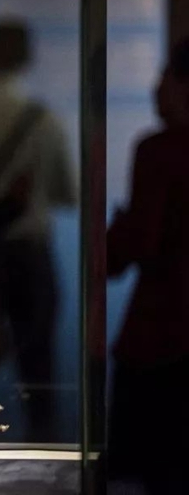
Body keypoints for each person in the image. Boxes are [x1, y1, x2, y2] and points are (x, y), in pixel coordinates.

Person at [0, 19, 76, 440]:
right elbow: (66, 193)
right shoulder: (42, 119)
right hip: (28, 252)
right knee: (38, 371)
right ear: (27, 56)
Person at [106, 39, 189, 494]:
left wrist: (114, 237)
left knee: (158, 469)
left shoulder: (160, 150)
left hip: (163, 331)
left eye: (165, 77)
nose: (156, 89)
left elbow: (143, 240)